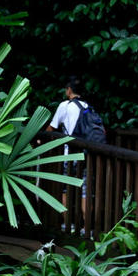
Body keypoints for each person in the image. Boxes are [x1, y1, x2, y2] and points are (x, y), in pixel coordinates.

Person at [46, 76, 88, 220]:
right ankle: (87, 229)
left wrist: (41, 140)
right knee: (85, 193)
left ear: (69, 90)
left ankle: (66, 226)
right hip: (85, 157)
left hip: (68, 156)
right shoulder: (87, 107)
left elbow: (51, 128)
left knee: (63, 190)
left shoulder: (65, 106)